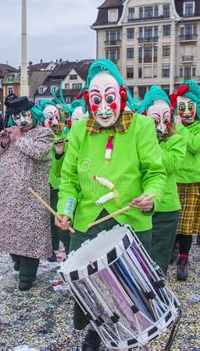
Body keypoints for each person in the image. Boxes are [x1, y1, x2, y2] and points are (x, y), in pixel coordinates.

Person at [55, 59, 166, 350]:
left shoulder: (141, 126)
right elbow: (68, 180)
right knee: (87, 286)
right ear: (88, 101)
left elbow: (156, 173)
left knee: (131, 287)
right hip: (87, 222)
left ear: (120, 95)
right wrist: (65, 210)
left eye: (109, 98)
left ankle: (132, 331)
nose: (103, 106)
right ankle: (95, 330)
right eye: (96, 100)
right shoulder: (78, 131)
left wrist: (150, 196)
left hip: (130, 218)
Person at [0, 96, 53, 291]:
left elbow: (40, 153)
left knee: (29, 237)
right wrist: (3, 143)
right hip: (8, 195)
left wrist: (19, 140)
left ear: (33, 114)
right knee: (9, 233)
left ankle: (27, 276)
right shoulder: (11, 133)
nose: (22, 120)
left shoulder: (44, 133)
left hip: (31, 196)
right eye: (17, 117)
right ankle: (17, 261)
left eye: (25, 115)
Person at [139, 86, 186, 276]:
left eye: (165, 119)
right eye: (155, 119)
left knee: (159, 258)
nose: (161, 124)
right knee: (142, 256)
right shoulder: (138, 138)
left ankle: (156, 296)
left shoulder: (177, 139)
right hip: (142, 205)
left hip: (166, 208)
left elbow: (171, 164)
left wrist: (151, 142)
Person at [169, 80, 200, 281]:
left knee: (186, 226)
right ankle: (173, 248)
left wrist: (179, 127)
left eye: (189, 107)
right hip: (173, 181)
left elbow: (195, 146)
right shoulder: (173, 127)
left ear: (196, 108)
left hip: (193, 182)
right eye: (181, 107)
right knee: (172, 221)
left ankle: (183, 259)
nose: (185, 111)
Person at [33, 100, 71, 261]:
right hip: (44, 184)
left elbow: (61, 166)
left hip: (62, 184)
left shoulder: (67, 136)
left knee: (62, 217)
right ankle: (52, 249)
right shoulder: (40, 138)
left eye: (56, 116)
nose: (54, 121)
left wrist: (59, 152)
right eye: (50, 118)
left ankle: (69, 250)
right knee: (48, 219)